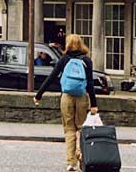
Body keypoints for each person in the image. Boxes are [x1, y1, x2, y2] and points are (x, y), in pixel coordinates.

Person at [34, 34, 97, 172]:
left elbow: (51, 77)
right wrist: (94, 104)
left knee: (69, 129)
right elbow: (90, 83)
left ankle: (70, 163)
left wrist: (39, 95)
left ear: (68, 44)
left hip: (67, 97)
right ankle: (80, 154)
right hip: (82, 96)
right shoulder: (86, 60)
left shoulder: (64, 59)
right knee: (81, 128)